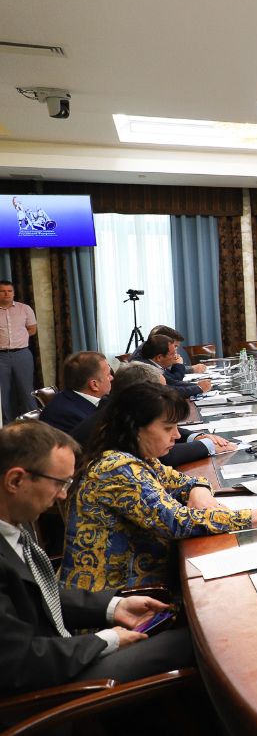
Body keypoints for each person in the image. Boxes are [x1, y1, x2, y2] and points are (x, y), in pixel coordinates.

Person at [0, 420, 193, 695]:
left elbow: (36, 594)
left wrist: (114, 607)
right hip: (42, 688)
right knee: (196, 640)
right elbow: (18, 662)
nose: (63, 495)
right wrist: (107, 640)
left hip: (59, 654)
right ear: (15, 480)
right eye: (59, 483)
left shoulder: (12, 526)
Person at [60, 384, 257, 591]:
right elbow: (178, 522)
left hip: (142, 583)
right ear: (135, 428)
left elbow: (183, 481)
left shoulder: (139, 456)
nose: (176, 435)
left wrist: (198, 490)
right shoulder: (116, 468)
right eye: (168, 428)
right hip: (119, 598)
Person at [71, 363, 235, 467]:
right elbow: (163, 458)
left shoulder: (116, 409)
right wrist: (208, 445)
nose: (166, 394)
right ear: (143, 394)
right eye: (160, 391)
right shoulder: (114, 430)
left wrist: (197, 437)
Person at [40, 351, 113, 433]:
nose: (112, 378)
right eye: (108, 375)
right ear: (94, 385)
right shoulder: (65, 416)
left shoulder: (75, 398)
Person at [0, 280, 37, 423]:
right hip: (1, 357)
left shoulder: (24, 309)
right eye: (3, 291)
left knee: (27, 391)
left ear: (14, 293)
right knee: (4, 393)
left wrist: (20, 337)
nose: (6, 294)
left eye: (9, 291)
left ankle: (33, 424)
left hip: (22, 354)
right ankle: (9, 426)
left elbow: (32, 329)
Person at [134, 334, 211, 397]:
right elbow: (169, 391)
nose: (176, 356)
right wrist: (198, 388)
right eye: (172, 354)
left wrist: (198, 386)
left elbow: (172, 382)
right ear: (159, 357)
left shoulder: (155, 364)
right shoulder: (146, 370)